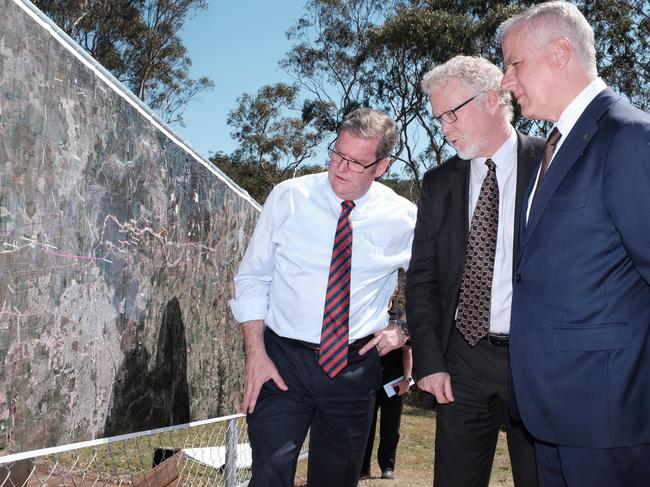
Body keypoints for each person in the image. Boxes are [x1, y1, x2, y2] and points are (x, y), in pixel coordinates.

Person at [498, 2, 650, 486]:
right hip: (551, 415)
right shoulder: (556, 145)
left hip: (608, 420)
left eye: (514, 63)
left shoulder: (628, 137)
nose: (505, 80)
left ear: (561, 51)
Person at [229, 107, 416, 487]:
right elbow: (252, 277)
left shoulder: (404, 218)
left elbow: (437, 285)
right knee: (267, 475)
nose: (340, 168)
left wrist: (403, 329)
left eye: (356, 162)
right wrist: (255, 354)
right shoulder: (288, 198)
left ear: (381, 166)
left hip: (354, 368)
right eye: (337, 154)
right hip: (280, 364)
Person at [405, 55, 543, 487]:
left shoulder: (551, 162)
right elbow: (423, 279)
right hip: (462, 363)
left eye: (451, 114)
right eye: (438, 118)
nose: (443, 129)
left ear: (491, 100)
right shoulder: (438, 182)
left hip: (537, 361)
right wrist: (429, 361)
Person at [360, 302, 413, 481]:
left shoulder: (400, 315)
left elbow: (407, 350)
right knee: (366, 425)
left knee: (391, 427)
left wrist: (407, 379)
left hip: (394, 381)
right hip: (368, 379)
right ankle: (362, 469)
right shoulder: (368, 310)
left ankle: (387, 467)